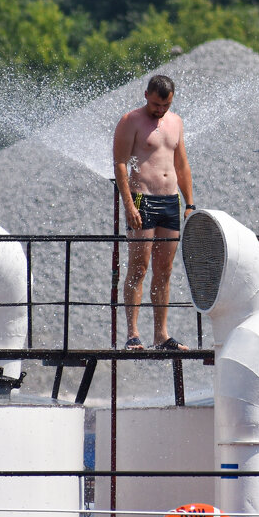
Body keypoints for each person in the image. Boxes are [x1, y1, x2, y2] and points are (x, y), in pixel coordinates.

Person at [113, 74, 195, 351]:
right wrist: (129, 204)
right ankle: (133, 334)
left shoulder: (176, 122)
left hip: (170, 201)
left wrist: (190, 203)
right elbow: (120, 164)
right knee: (139, 267)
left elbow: (182, 165)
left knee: (165, 269)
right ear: (146, 94)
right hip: (142, 197)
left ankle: (161, 335)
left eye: (166, 105)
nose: (161, 111)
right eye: (157, 105)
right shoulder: (130, 121)